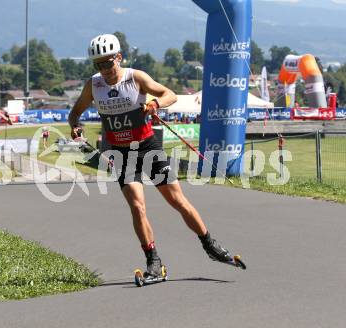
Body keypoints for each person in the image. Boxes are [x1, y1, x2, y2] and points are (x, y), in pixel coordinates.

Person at [69, 34, 235, 277]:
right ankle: (154, 262)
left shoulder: (135, 77)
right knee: (137, 206)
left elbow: (170, 94)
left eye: (108, 62)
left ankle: (209, 244)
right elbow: (74, 113)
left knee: (177, 201)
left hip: (147, 147)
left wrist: (155, 104)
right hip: (121, 152)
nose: (104, 69)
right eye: (99, 64)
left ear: (119, 58)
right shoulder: (93, 85)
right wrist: (75, 126)